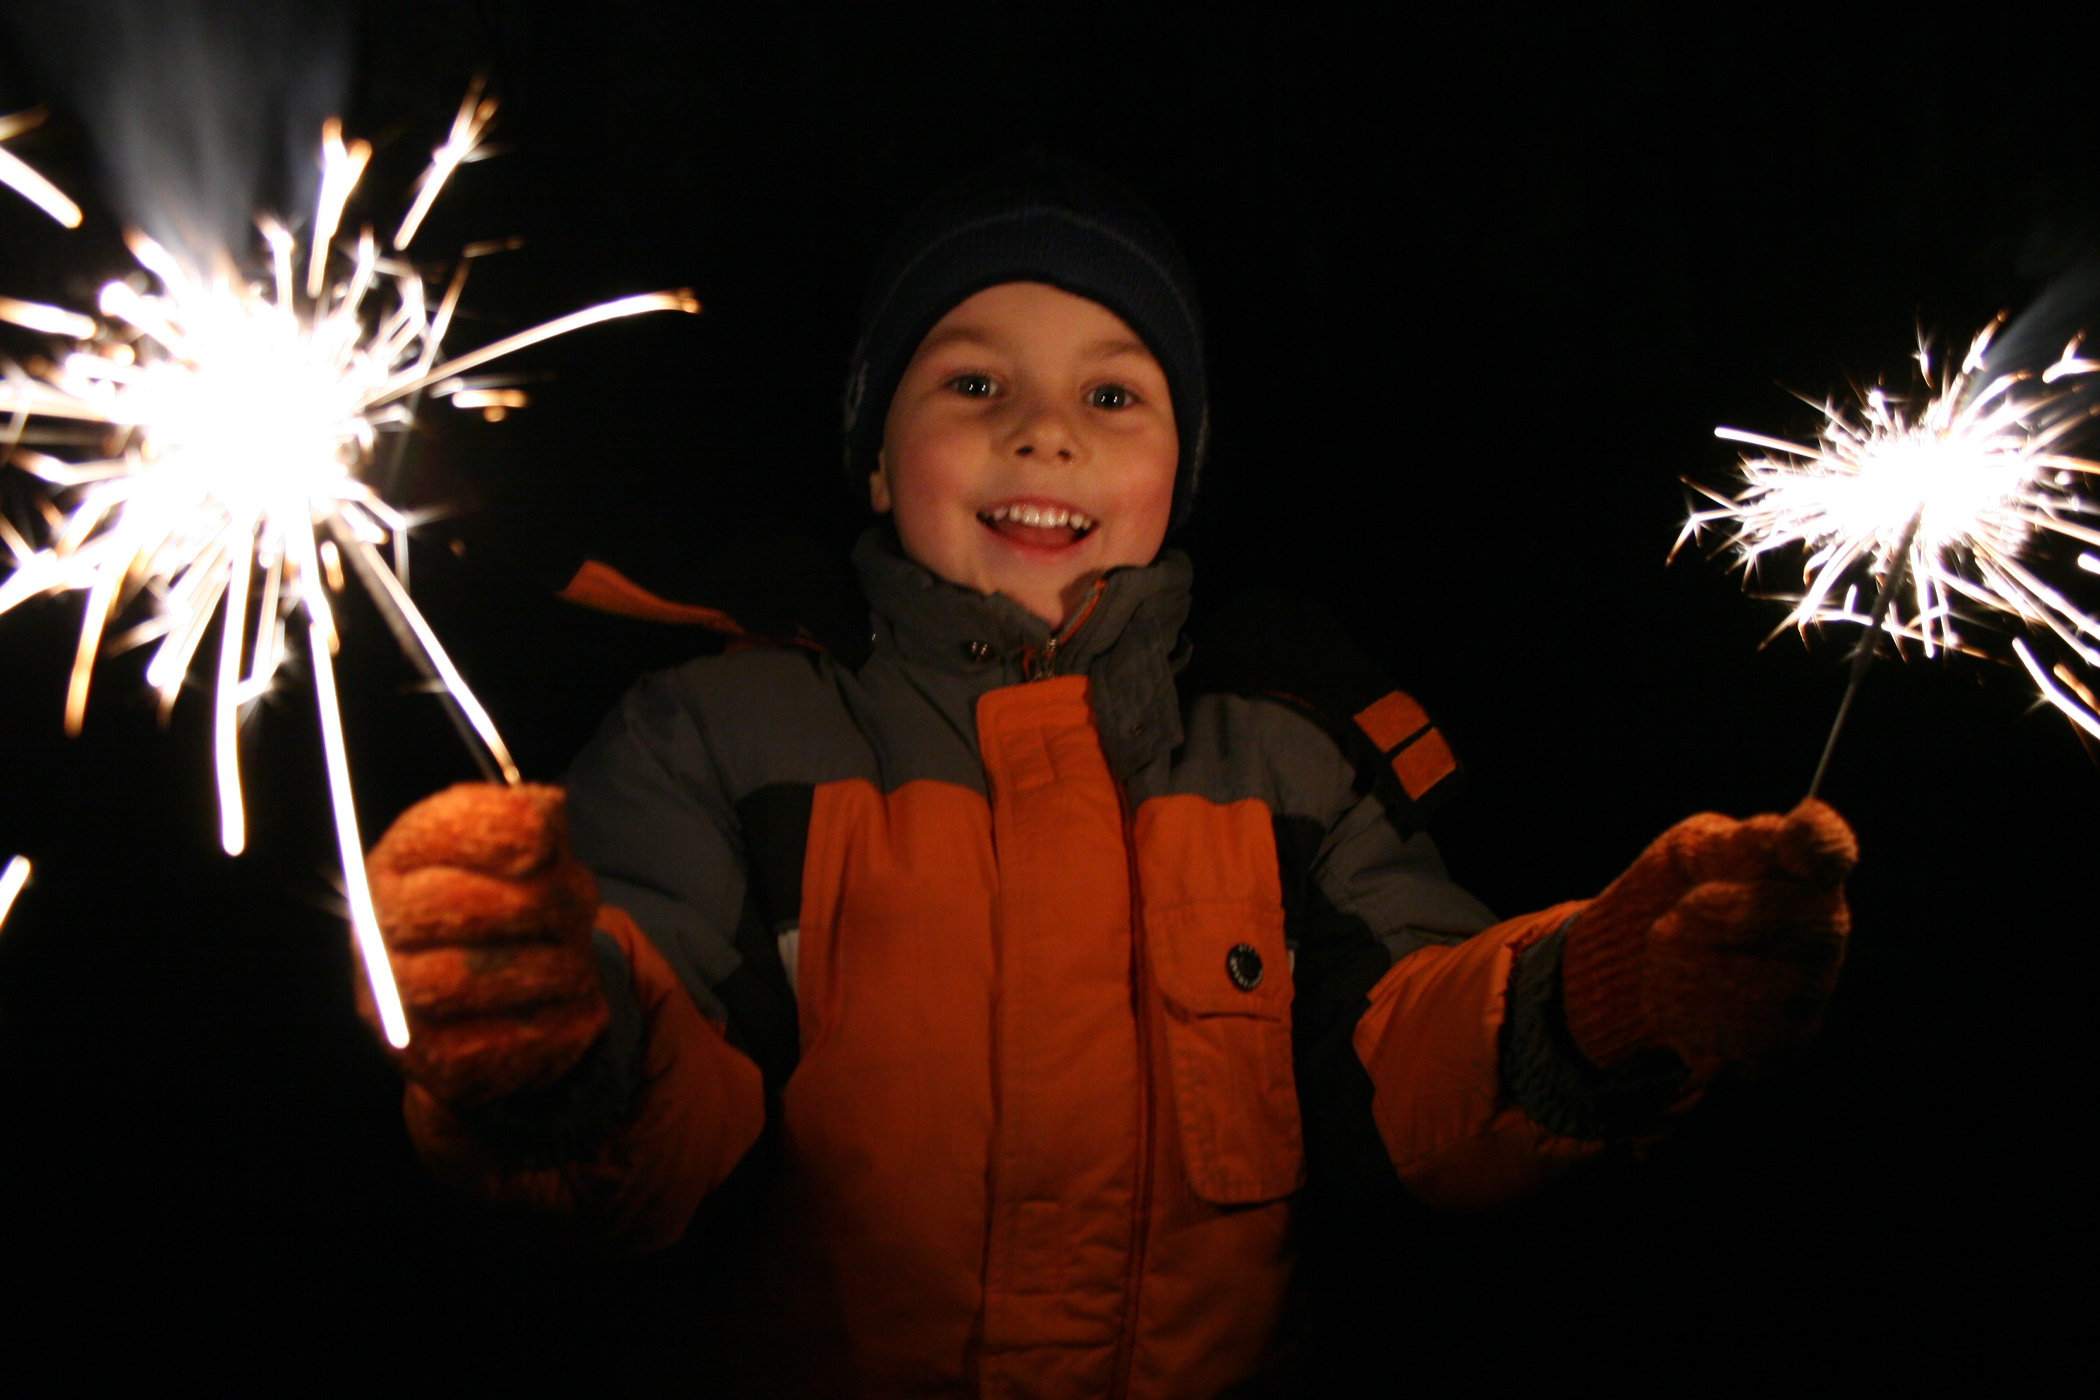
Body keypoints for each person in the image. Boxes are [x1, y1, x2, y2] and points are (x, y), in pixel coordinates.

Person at [361, 154, 1855, 1398]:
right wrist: (553, 1023)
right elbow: (657, 1124)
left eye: (1115, 397)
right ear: (877, 460)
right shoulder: (721, 736)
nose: (1043, 430)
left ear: (1179, 471)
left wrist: (1608, 992)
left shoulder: (1286, 768)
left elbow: (1414, 1068)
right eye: (970, 382)